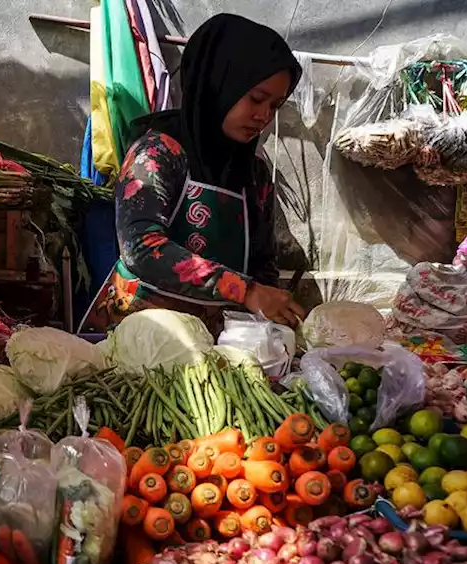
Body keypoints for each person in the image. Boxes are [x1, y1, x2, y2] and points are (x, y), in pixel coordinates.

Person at [81, 14, 308, 334]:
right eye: (256, 98)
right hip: (140, 334)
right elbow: (142, 250)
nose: (263, 116)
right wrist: (245, 291)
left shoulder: (253, 174)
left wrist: (269, 323)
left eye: (275, 105)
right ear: (218, 84)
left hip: (222, 342)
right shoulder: (157, 154)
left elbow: (262, 263)